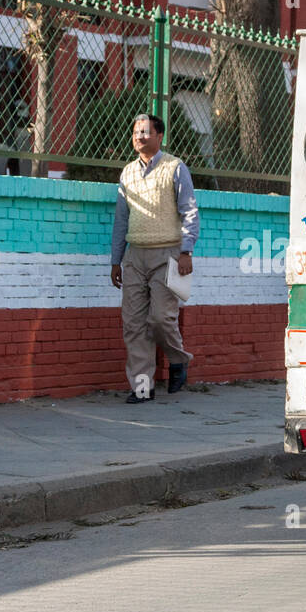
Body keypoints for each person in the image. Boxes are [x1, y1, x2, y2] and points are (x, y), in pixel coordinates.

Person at [110, 114, 199, 403]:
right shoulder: (127, 173)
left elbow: (189, 211)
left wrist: (186, 251)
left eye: (145, 132)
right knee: (133, 324)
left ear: (159, 135)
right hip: (134, 256)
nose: (139, 137)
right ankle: (142, 387)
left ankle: (178, 359)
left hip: (168, 254)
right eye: (136, 132)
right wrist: (116, 260)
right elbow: (121, 220)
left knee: (160, 318)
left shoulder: (175, 167)